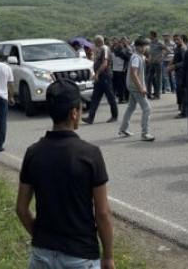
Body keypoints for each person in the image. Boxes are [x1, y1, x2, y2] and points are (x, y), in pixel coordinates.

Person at [16, 79, 115, 269]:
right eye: (81, 107)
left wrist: (41, 237)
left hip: (42, 255)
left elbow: (21, 208)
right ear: (74, 113)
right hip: (81, 256)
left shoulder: (33, 152)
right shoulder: (90, 154)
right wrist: (108, 256)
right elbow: (102, 213)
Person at [118, 38, 155, 141]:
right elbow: (133, 74)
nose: (146, 48)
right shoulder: (136, 58)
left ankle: (123, 128)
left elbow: (147, 61)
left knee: (131, 107)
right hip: (135, 87)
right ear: (139, 47)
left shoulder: (139, 56)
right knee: (147, 108)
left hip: (132, 86)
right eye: (144, 46)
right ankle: (145, 133)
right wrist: (141, 87)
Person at [83, 36, 119, 125]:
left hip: (105, 75)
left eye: (95, 43)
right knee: (95, 97)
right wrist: (95, 74)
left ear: (98, 42)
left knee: (110, 96)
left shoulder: (105, 49)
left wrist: (97, 73)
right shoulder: (99, 50)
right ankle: (90, 117)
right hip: (99, 76)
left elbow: (104, 63)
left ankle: (114, 115)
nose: (94, 45)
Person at [170, 35, 187, 117]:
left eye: (178, 39)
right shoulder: (177, 48)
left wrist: (174, 66)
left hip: (182, 73)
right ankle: (182, 109)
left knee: (182, 92)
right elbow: (175, 58)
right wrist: (171, 64)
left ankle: (184, 112)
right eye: (175, 40)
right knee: (179, 91)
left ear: (182, 39)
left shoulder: (183, 48)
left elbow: (185, 62)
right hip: (177, 72)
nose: (176, 41)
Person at [111, 38, 131, 104]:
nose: (121, 45)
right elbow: (128, 58)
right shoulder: (121, 52)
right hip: (121, 70)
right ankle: (122, 98)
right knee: (122, 85)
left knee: (118, 86)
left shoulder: (114, 51)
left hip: (116, 70)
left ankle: (121, 98)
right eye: (121, 43)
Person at [146, 31, 164, 99]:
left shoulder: (159, 42)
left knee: (158, 79)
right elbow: (151, 53)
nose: (149, 36)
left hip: (158, 63)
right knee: (149, 78)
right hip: (152, 63)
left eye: (150, 35)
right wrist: (149, 59)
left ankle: (157, 95)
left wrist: (160, 57)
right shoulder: (150, 43)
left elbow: (167, 50)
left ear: (153, 35)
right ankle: (148, 94)